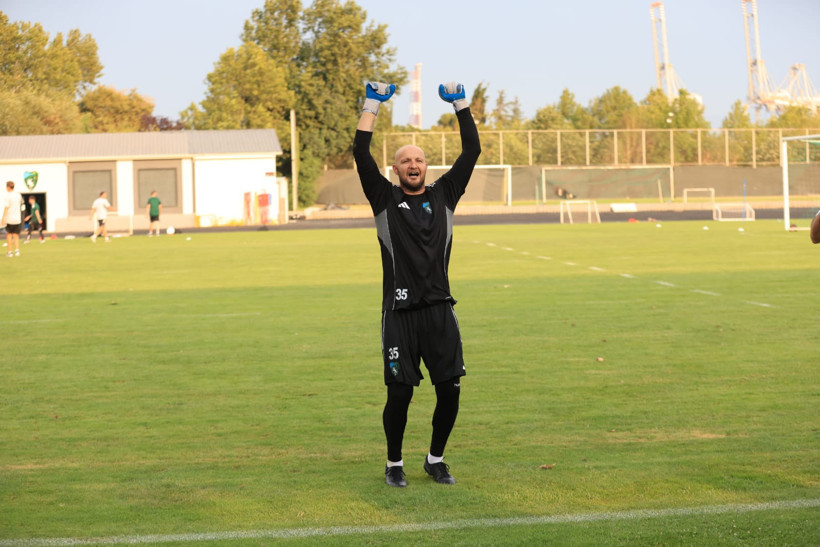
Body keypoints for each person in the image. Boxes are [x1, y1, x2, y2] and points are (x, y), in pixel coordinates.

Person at [353, 81, 481, 487]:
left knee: (451, 390)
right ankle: (394, 465)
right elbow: (359, 152)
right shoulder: (383, 199)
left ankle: (435, 459)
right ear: (395, 170)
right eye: (405, 160)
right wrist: (372, 103)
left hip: (440, 310)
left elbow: (472, 150)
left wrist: (460, 103)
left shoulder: (445, 194)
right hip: (399, 316)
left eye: (419, 159)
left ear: (427, 167)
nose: (413, 164)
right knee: (400, 394)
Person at [2, 181, 24, 257]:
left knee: (8, 235)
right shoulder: (18, 195)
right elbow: (21, 203)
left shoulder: (7, 196)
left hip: (9, 218)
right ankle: (17, 251)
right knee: (16, 235)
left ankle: (10, 252)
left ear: (8, 187)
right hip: (17, 218)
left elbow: (6, 207)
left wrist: (3, 218)